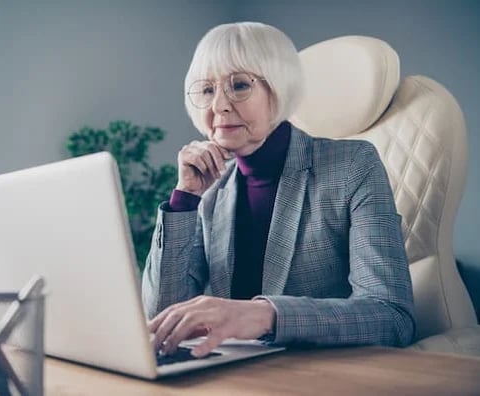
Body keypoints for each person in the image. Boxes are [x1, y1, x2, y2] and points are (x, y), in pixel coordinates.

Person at [142, 22, 415, 358]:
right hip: (230, 372)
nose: (220, 106)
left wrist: (266, 315)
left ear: (279, 89)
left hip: (317, 373)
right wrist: (184, 199)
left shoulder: (353, 165)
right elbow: (160, 317)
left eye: (239, 85)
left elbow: (392, 317)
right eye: (207, 91)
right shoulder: (210, 189)